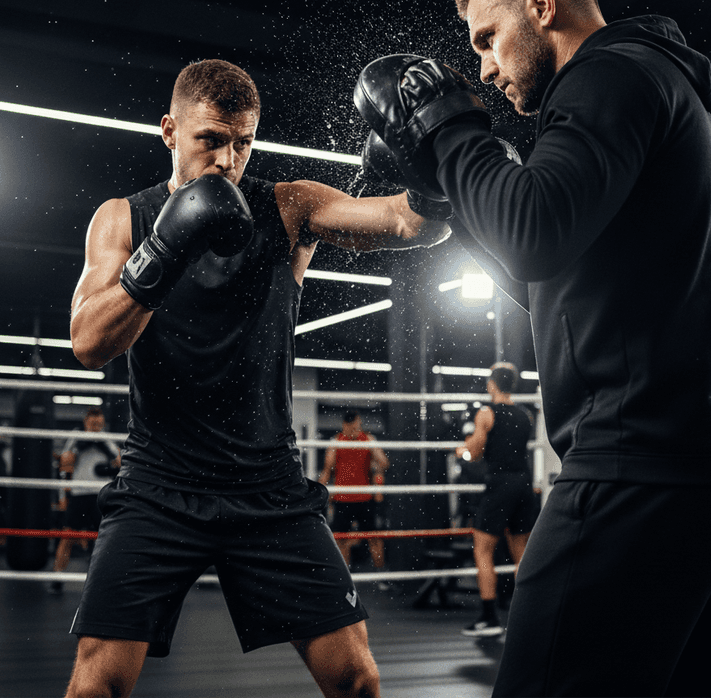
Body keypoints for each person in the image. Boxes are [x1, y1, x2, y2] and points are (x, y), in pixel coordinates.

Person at [353, 0, 711, 696]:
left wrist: (451, 126)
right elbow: (552, 275)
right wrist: (457, 193)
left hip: (641, 462)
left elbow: (532, 231)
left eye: (488, 37)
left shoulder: (605, 77)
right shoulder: (657, 85)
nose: (482, 65)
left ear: (541, 6)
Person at [64, 58, 450, 698]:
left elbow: (411, 224)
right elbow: (87, 341)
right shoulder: (121, 219)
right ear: (169, 132)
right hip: (159, 484)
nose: (227, 160)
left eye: (243, 142)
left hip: (268, 486)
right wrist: (165, 248)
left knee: (357, 680)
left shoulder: (288, 206)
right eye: (210, 140)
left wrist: (434, 161)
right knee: (94, 685)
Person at [456, 363, 538, 637]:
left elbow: (475, 453)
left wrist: (463, 447)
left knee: (482, 549)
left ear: (492, 384)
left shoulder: (486, 413)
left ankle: (490, 618)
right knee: (522, 555)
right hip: (524, 484)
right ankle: (526, 617)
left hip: (501, 484)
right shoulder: (525, 415)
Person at [49, 408, 120, 594]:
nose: (95, 426)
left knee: (105, 539)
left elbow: (120, 461)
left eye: (98, 423)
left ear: (102, 423)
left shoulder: (107, 438)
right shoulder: (76, 436)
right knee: (68, 537)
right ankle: (57, 579)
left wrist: (103, 445)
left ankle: (104, 583)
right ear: (86, 422)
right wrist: (81, 446)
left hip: (101, 495)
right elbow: (65, 463)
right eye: (92, 423)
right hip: (79, 493)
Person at [318, 411, 390, 578]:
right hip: (342, 499)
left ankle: (382, 577)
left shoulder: (368, 440)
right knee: (341, 539)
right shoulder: (336, 442)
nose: (353, 430)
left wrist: (371, 448)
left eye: (356, 426)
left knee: (373, 538)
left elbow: (384, 463)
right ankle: (345, 576)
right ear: (344, 425)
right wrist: (318, 494)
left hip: (364, 498)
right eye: (350, 427)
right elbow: (327, 471)